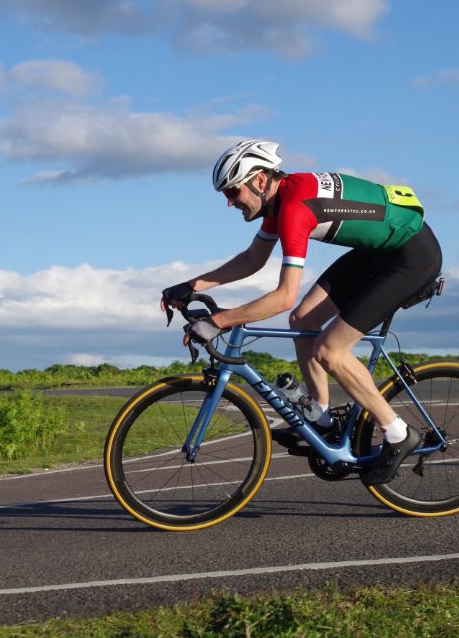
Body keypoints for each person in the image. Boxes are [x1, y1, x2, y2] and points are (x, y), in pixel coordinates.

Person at [161, 139, 442, 485]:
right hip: (377, 253)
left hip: (411, 258)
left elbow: (284, 297)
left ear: (260, 180)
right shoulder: (278, 203)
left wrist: (218, 321)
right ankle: (321, 417)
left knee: (330, 350)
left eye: (233, 192)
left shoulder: (294, 209)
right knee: (303, 321)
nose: (230, 202)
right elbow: (252, 260)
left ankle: (398, 433)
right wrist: (192, 285)